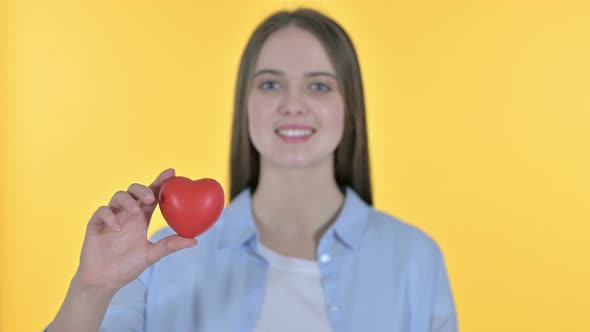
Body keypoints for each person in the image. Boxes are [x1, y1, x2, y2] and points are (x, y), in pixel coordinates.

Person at [46, 8, 458, 332]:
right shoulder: (164, 257)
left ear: (350, 109)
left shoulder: (416, 259)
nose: (292, 104)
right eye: (270, 84)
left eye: (319, 85)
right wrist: (90, 292)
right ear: (245, 106)